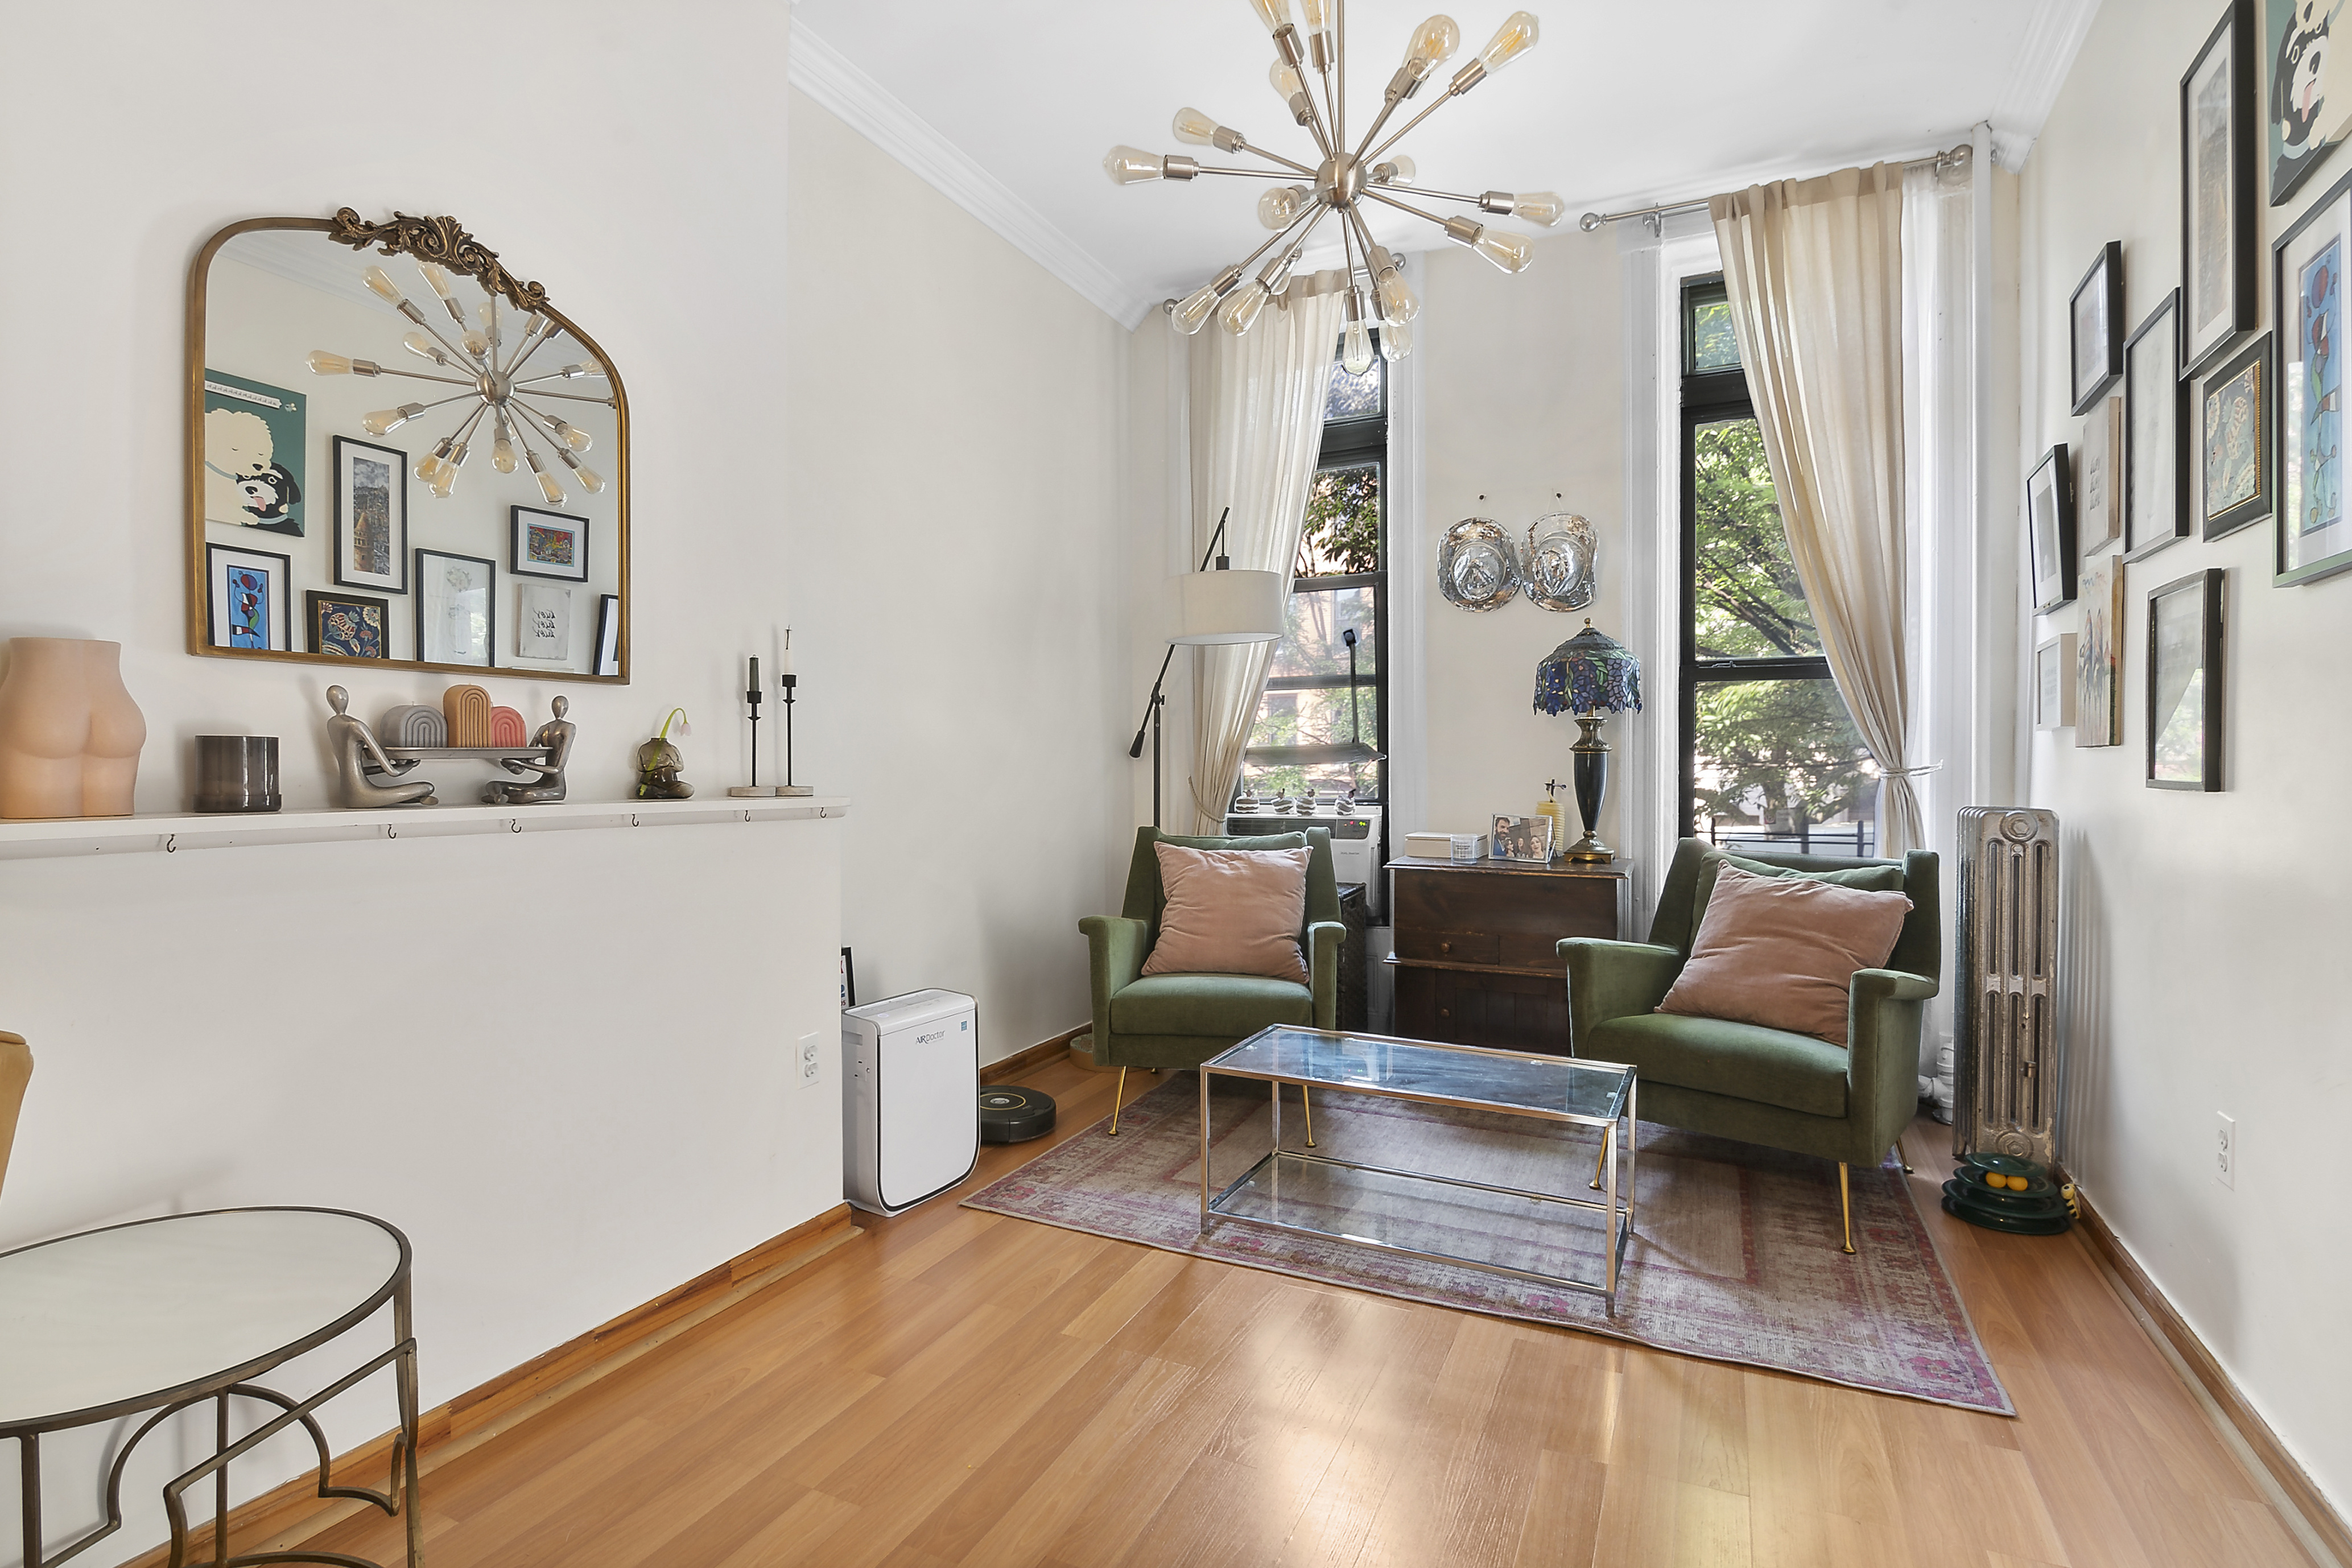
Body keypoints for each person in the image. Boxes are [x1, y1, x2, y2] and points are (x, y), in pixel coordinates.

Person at [325, 686, 434, 807]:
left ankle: (418, 799)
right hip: (362, 794)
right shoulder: (355, 725)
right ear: (346, 700)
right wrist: (410, 766)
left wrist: (393, 767)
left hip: (346, 795)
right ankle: (420, 797)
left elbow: (359, 771)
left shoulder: (332, 724)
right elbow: (393, 773)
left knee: (414, 793)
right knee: (427, 787)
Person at [483, 695, 574, 804]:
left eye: (561, 705)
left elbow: (556, 769)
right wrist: (511, 765)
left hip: (556, 787)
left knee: (526, 795)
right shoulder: (544, 728)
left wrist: (521, 764)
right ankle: (498, 797)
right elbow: (522, 768)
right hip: (541, 783)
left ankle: (496, 798)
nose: (558, 709)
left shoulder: (569, 728)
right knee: (494, 785)